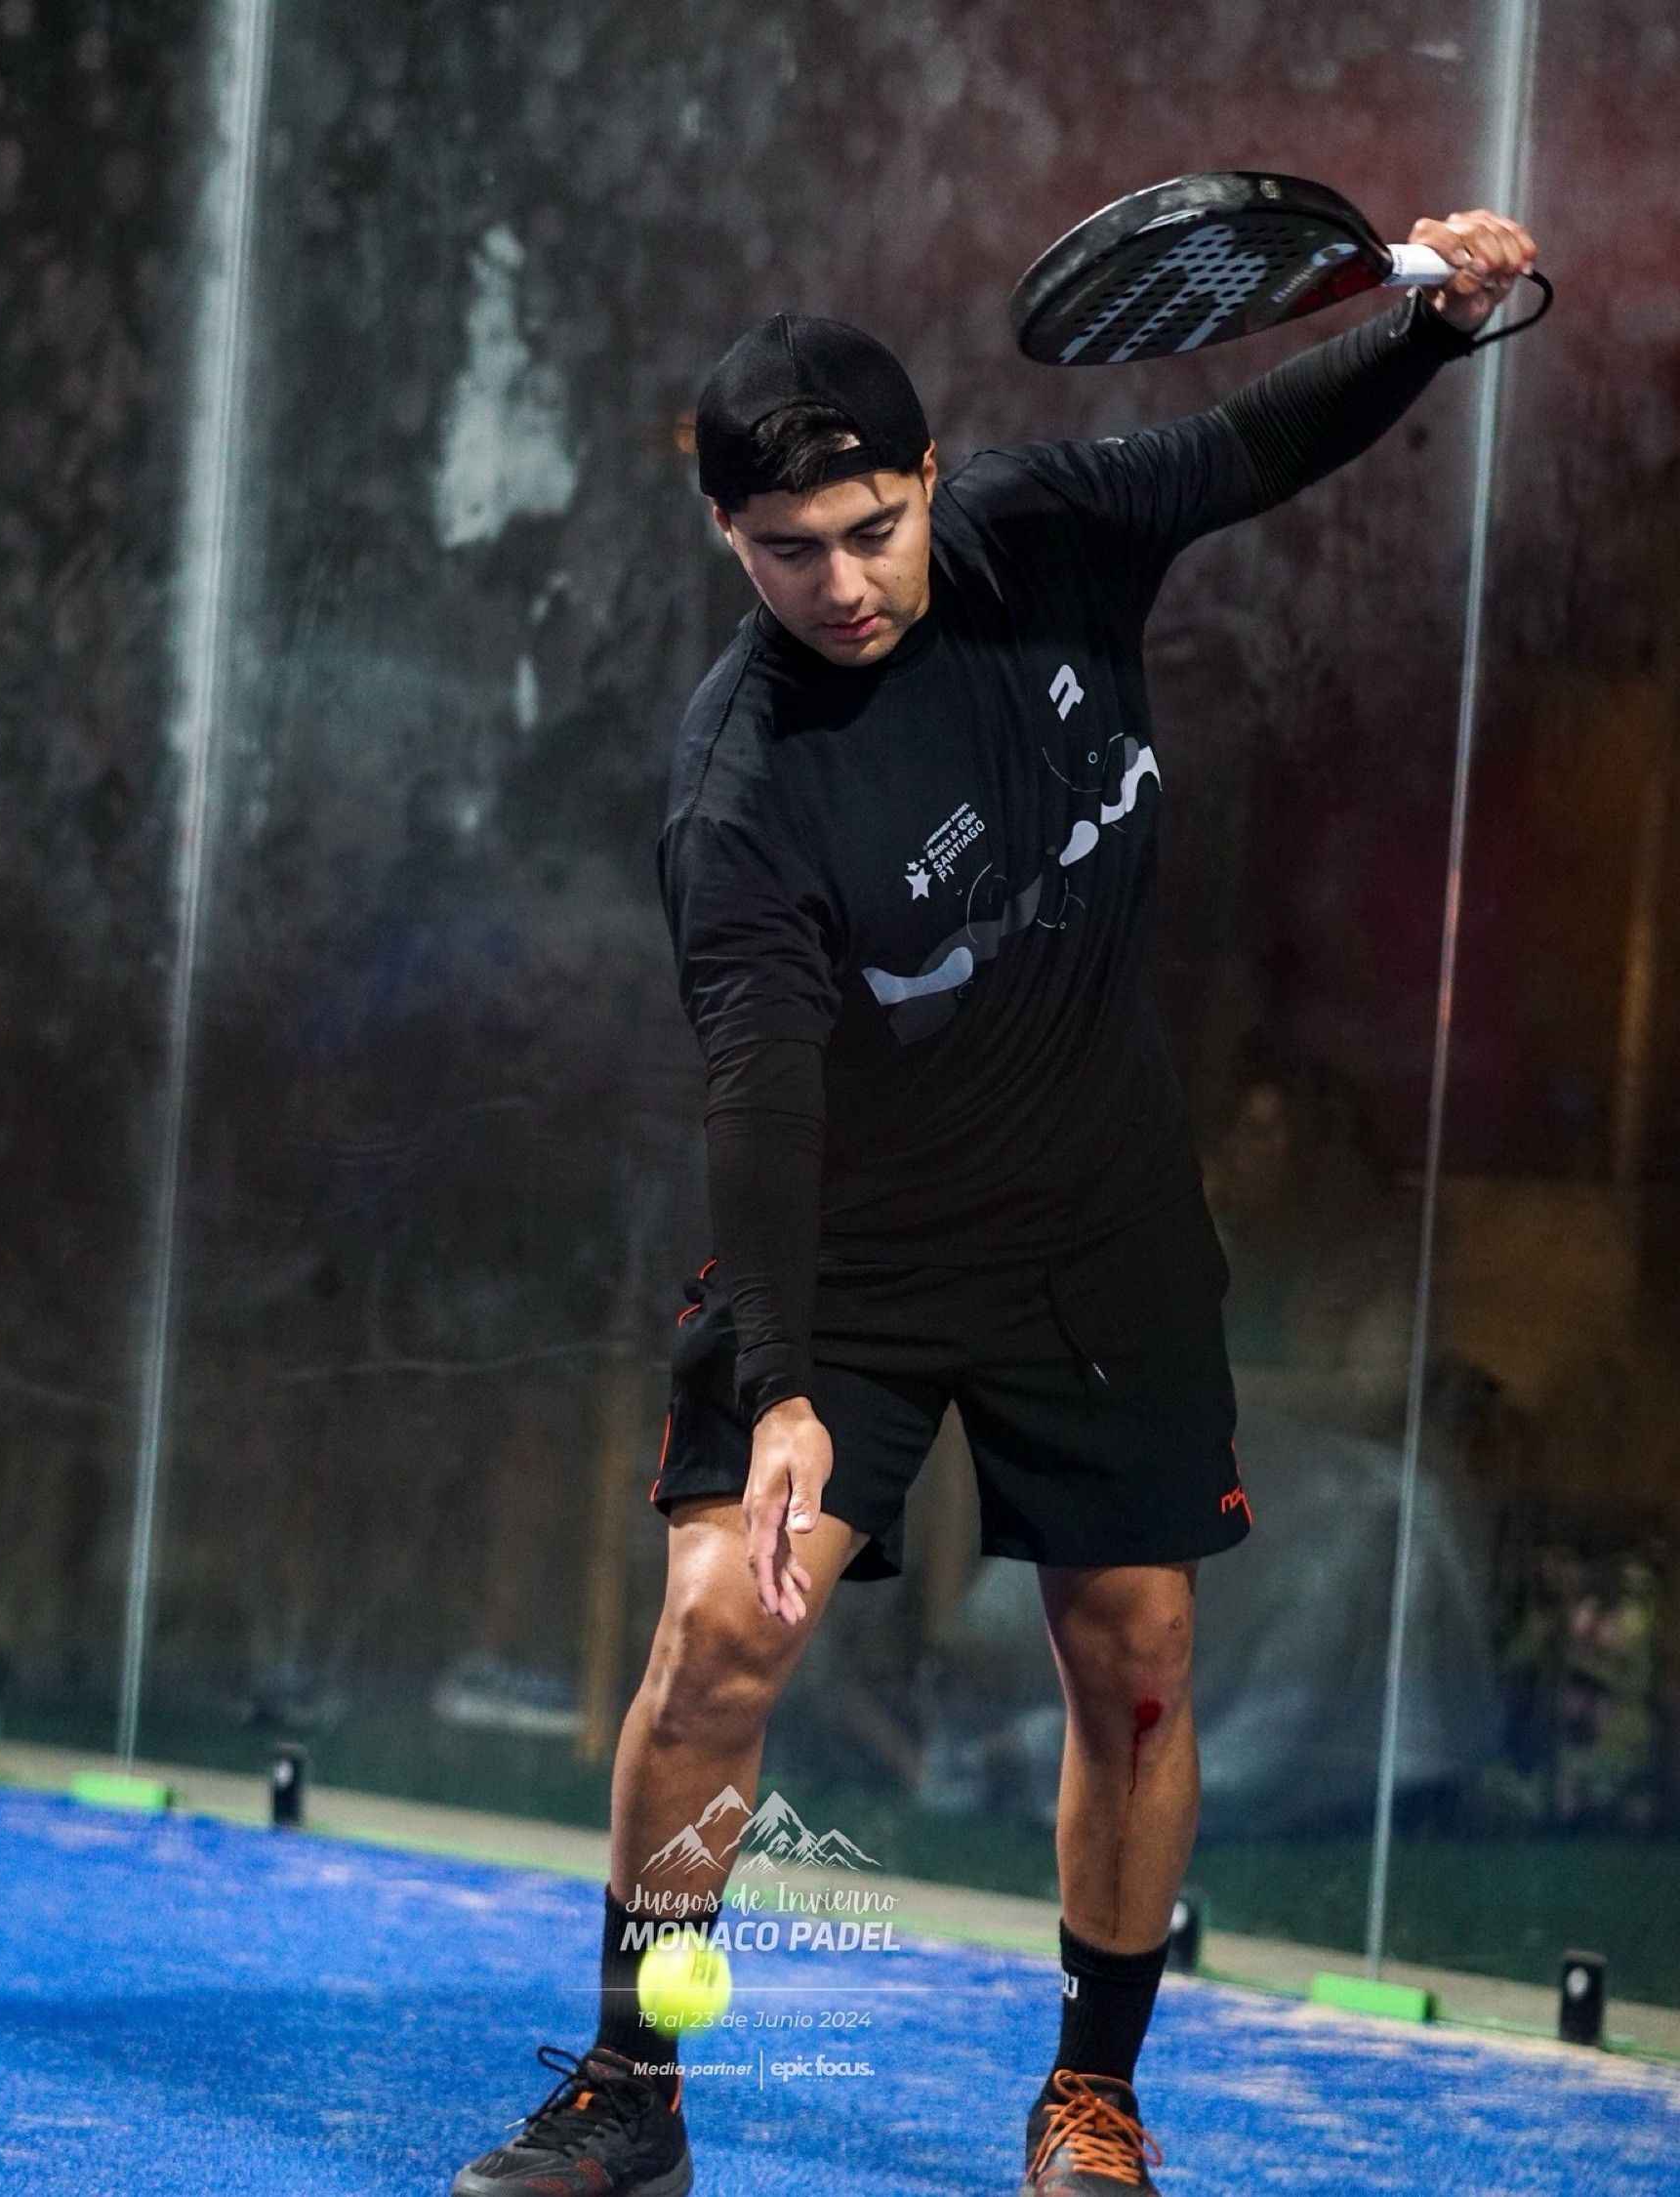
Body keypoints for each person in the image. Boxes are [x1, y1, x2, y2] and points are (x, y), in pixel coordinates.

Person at [450, 206, 1537, 2197]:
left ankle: (1091, 2094)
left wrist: (1432, 325)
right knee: (715, 1634)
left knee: (1137, 1655)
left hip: (1098, 1232)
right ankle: (634, 2085)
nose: (844, 583)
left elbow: (1248, 442)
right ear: (724, 537)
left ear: (933, 477)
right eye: (790, 549)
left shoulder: (1048, 533)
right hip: (853, 1260)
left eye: (874, 529)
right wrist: (783, 1384)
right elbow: (762, 1097)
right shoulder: (741, 788)